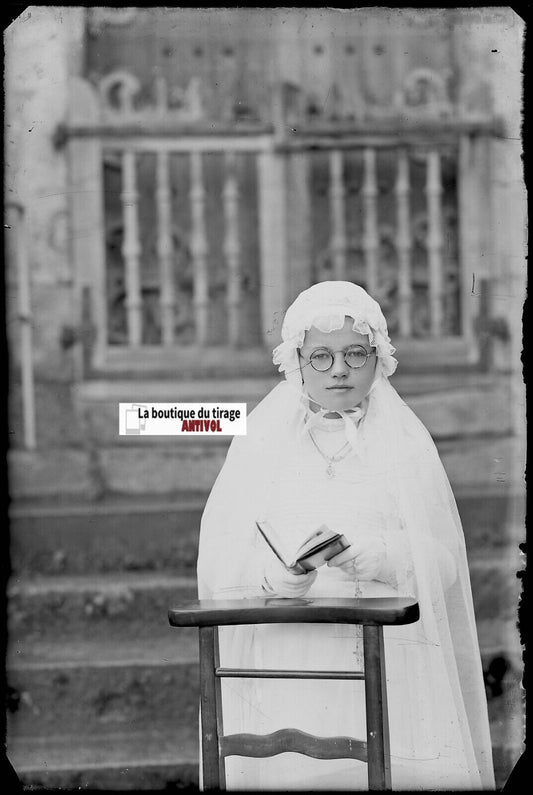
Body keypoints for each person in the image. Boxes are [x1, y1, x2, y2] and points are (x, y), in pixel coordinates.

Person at [197, 281, 495, 790]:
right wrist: (280, 576)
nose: (339, 369)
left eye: (355, 353)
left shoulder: (405, 444)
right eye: (321, 356)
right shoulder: (261, 443)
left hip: (388, 655)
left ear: (378, 359)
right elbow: (222, 561)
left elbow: (443, 563)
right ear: (297, 362)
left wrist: (379, 556)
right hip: (291, 656)